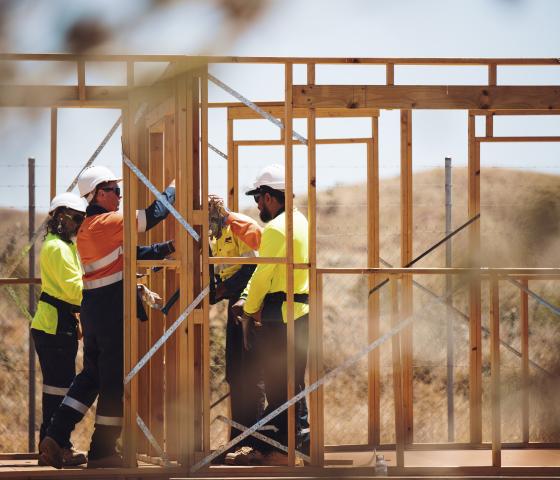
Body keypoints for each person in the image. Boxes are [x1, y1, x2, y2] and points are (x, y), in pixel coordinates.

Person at [39, 165, 176, 469]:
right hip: (110, 308)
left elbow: (133, 252)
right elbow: (151, 216)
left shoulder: (94, 225)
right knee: (113, 380)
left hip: (94, 308)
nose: (119, 195)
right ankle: (102, 450)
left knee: (92, 376)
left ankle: (56, 433)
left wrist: (169, 248)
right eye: (115, 190)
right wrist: (175, 190)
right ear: (99, 193)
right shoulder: (105, 221)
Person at [232, 164, 310, 466]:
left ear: (268, 196)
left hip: (281, 315)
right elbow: (268, 271)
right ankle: (294, 446)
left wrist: (249, 312)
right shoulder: (301, 222)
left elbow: (263, 275)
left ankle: (276, 451)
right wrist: (245, 298)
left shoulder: (277, 229)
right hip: (301, 311)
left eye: (258, 199)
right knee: (293, 383)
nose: (257, 206)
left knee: (279, 386)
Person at [207, 194, 266, 465]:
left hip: (253, 305)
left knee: (251, 377)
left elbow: (255, 267)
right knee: (235, 374)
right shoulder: (215, 235)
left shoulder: (238, 226)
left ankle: (254, 445)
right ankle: (237, 442)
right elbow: (222, 274)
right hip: (235, 303)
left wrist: (229, 292)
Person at [31, 192, 88, 467]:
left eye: (82, 219)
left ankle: (50, 447)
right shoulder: (58, 248)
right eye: (77, 218)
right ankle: (57, 446)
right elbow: (74, 290)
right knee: (59, 389)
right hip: (54, 325)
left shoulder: (62, 246)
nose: (80, 224)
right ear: (61, 218)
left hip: (57, 324)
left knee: (58, 388)